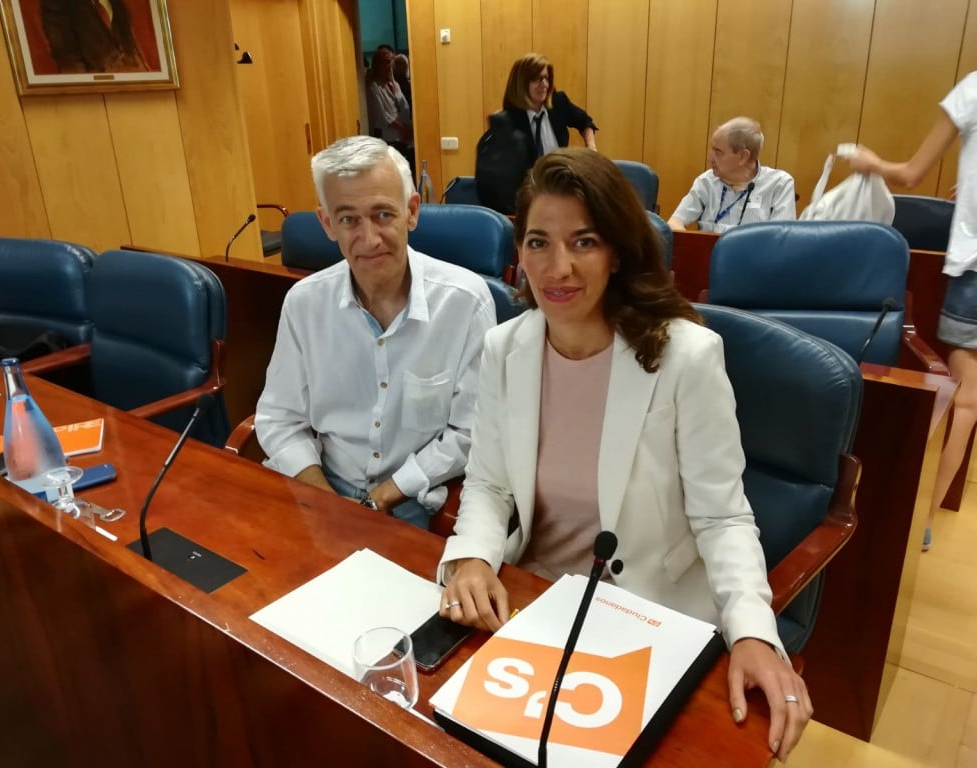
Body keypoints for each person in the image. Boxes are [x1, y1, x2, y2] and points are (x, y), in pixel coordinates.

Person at [437, 148, 811, 762]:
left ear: (616, 251)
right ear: (519, 253)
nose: (558, 267)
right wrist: (473, 556)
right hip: (532, 599)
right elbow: (488, 485)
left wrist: (754, 633)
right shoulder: (505, 346)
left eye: (583, 241)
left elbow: (723, 518)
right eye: (539, 242)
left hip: (647, 618)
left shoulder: (686, 356)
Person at [255, 136, 495, 529]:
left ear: (412, 211)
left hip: (415, 500)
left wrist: (381, 497)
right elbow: (279, 419)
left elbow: (471, 432)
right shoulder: (304, 304)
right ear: (327, 223)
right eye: (348, 219)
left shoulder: (465, 303)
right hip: (320, 488)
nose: (368, 239)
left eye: (383, 214)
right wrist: (325, 499)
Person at [850, 72, 977, 552]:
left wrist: (870, 162)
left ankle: (913, 521)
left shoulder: (973, 89)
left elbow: (909, 175)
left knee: (963, 401)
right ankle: (923, 518)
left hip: (975, 271)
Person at [668, 117, 796, 232]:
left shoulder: (779, 184)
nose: (710, 158)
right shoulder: (706, 182)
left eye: (718, 151)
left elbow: (782, 238)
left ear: (742, 156)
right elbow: (674, 223)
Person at [492, 53, 597, 167]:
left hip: (560, 178)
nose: (544, 85)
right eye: (537, 79)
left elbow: (585, 121)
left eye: (546, 78)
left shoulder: (558, 102)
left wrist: (591, 147)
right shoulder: (508, 119)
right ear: (521, 83)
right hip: (527, 183)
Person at [40, 0, 149, 74]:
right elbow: (71, 69)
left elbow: (134, 54)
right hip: (97, 99)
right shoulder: (56, 4)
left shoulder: (117, 4)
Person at [365, 45, 414, 172]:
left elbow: (405, 107)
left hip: (402, 138)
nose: (390, 65)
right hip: (389, 139)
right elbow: (383, 115)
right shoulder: (373, 86)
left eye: (391, 61)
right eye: (387, 62)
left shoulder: (395, 84)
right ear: (378, 65)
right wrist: (403, 130)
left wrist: (394, 86)